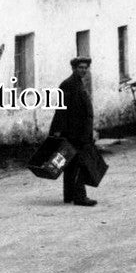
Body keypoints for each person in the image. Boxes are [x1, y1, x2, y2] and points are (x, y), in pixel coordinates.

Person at [49, 56, 97, 206]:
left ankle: (69, 195)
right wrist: (56, 130)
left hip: (79, 130)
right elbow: (61, 109)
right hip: (74, 132)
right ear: (74, 68)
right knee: (79, 163)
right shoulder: (68, 85)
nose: (83, 70)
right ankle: (80, 197)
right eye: (80, 67)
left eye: (85, 68)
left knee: (70, 163)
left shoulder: (78, 83)